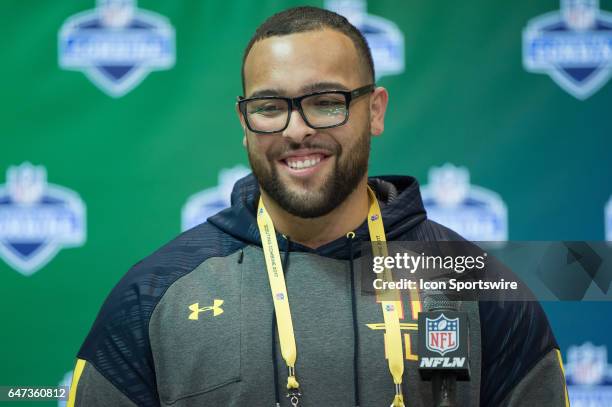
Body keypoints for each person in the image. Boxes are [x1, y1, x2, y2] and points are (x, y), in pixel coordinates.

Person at [67, 6, 569, 407]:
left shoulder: (474, 284)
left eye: (325, 101)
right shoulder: (154, 297)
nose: (296, 129)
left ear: (375, 111)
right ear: (244, 123)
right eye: (268, 107)